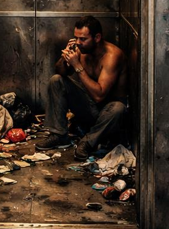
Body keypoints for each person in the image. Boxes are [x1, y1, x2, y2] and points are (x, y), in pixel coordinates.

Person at [36, 16, 128, 160]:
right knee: (56, 81)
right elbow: (60, 72)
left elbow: (99, 95)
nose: (78, 43)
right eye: (76, 38)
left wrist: (77, 66)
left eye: (83, 39)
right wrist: (65, 57)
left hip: (107, 116)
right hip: (88, 107)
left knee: (118, 108)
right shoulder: (81, 49)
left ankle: (88, 142)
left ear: (97, 38)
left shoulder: (112, 56)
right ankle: (59, 135)